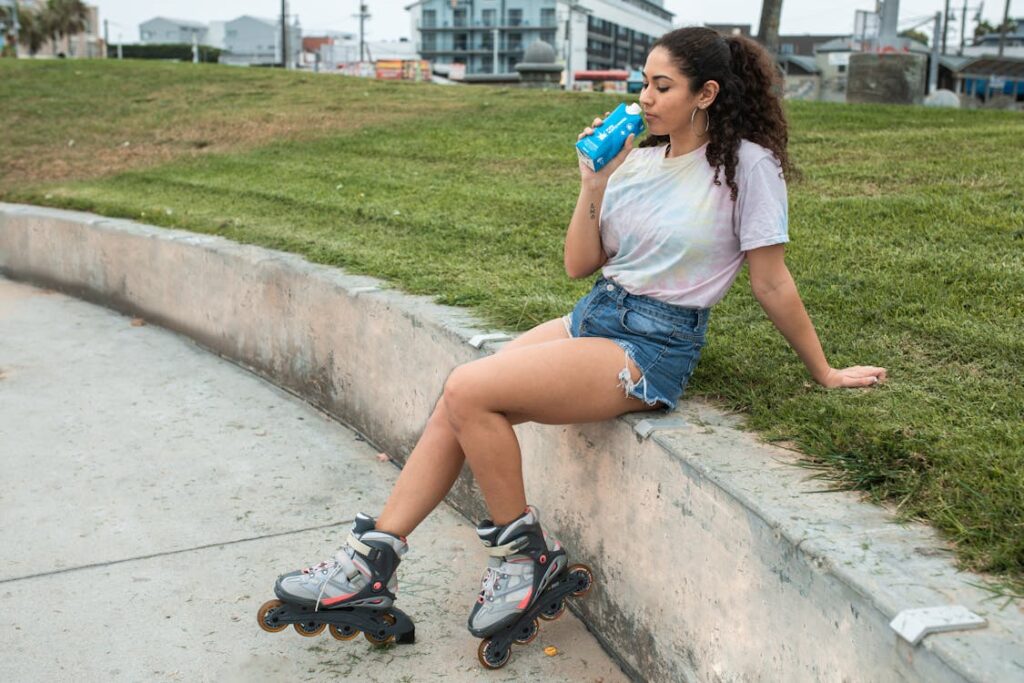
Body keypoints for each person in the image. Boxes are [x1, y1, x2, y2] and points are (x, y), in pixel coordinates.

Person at [270, 26, 887, 645]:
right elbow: (579, 264)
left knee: (468, 390)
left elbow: (772, 282)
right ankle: (370, 565)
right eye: (644, 82)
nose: (645, 97)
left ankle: (524, 561)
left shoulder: (747, 167)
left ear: (707, 94)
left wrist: (825, 371)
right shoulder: (639, 161)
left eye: (662, 86)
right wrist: (594, 181)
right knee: (456, 402)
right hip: (595, 315)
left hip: (652, 344)